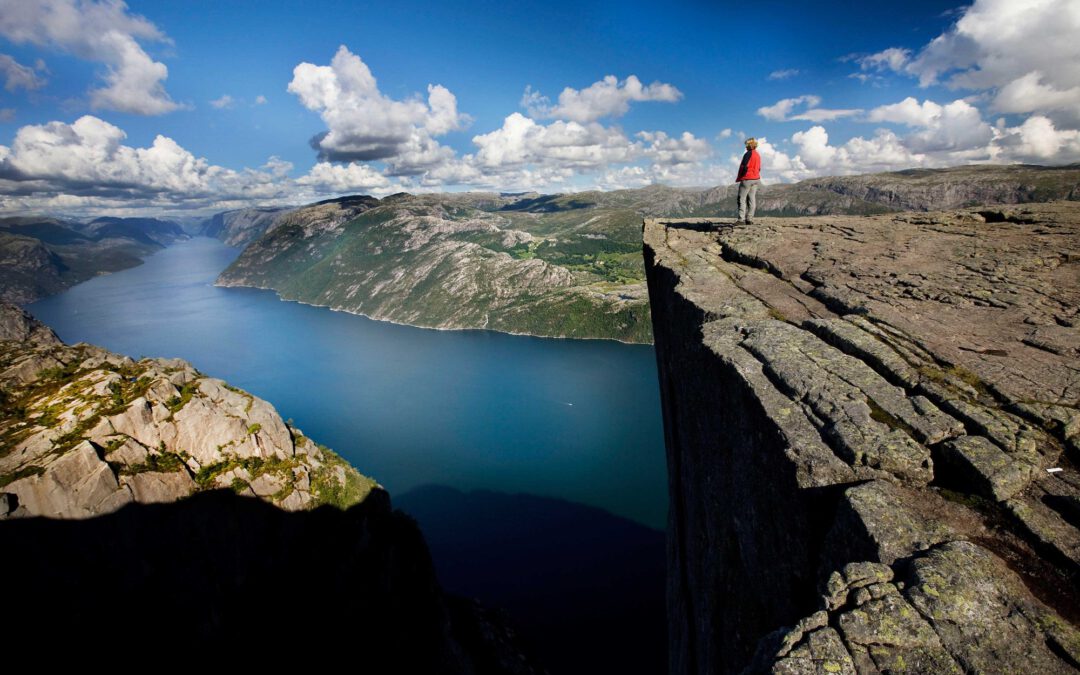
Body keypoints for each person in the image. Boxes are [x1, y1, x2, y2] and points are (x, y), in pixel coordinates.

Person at [735, 138, 761, 224]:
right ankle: (749, 219)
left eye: (746, 145)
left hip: (747, 178)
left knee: (741, 198)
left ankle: (741, 219)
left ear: (749, 145)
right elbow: (759, 168)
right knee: (751, 199)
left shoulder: (748, 154)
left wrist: (742, 175)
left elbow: (744, 166)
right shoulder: (757, 155)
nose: (745, 146)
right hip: (756, 179)